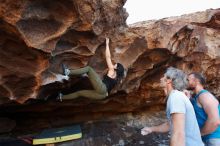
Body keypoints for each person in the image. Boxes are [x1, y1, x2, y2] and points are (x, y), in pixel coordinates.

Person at [141, 67, 204, 146]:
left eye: (163, 76)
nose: (161, 79)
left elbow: (178, 133)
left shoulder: (176, 97)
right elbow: (169, 125)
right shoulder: (175, 96)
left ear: (169, 80)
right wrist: (151, 129)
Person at [58, 38, 125, 101]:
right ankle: (61, 97)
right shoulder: (117, 78)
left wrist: (107, 44)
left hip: (102, 89)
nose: (113, 65)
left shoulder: (112, 70)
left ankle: (68, 72)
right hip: (103, 95)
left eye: (115, 64)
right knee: (80, 93)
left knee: (89, 69)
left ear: (117, 68)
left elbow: (108, 57)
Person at [187, 72, 220, 146]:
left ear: (196, 81)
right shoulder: (197, 97)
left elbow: (215, 121)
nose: (185, 82)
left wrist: (199, 134)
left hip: (214, 139)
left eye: (188, 80)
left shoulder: (205, 96)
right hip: (206, 139)